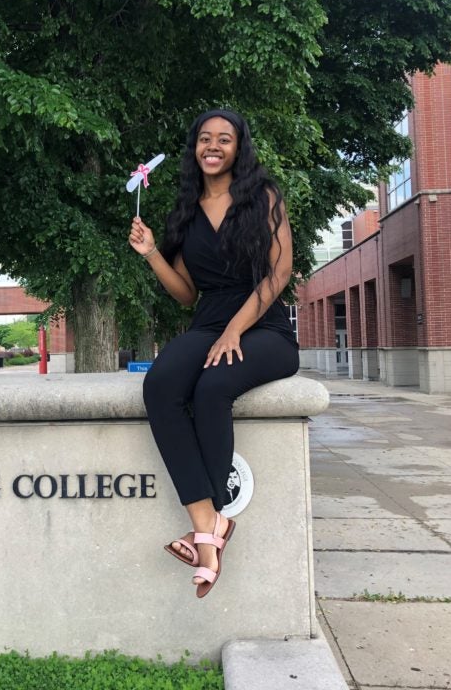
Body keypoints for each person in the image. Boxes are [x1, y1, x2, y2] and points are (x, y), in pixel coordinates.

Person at [128, 109, 299, 598]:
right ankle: (209, 524)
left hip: (264, 325)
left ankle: (212, 528)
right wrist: (152, 254)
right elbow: (185, 294)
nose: (214, 146)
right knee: (160, 385)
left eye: (224, 139)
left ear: (238, 148)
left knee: (213, 387)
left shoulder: (264, 198)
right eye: (205, 138)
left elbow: (279, 274)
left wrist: (234, 333)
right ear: (195, 149)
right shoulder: (185, 211)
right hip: (209, 321)